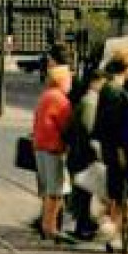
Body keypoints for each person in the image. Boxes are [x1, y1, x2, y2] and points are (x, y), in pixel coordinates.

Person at [93, 54, 128, 237]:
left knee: (117, 193)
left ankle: (112, 228)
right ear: (126, 67)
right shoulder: (114, 92)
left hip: (114, 149)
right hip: (119, 150)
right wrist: (121, 150)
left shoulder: (110, 89)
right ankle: (114, 232)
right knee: (120, 194)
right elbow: (114, 125)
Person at [32, 64, 73, 243]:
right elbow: (67, 125)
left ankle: (47, 225)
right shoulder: (60, 99)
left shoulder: (46, 95)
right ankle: (50, 227)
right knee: (55, 191)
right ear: (62, 80)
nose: (70, 82)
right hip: (54, 148)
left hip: (40, 147)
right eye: (69, 79)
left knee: (49, 188)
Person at [66, 69, 106, 241]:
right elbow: (88, 129)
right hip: (84, 154)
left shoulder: (86, 99)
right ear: (95, 82)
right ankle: (83, 227)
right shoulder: (90, 101)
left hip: (79, 153)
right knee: (85, 191)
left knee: (84, 191)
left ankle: (84, 225)